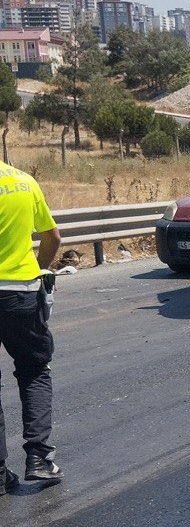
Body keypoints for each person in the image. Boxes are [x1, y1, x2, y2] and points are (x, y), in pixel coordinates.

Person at [0, 160, 62, 495]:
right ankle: (38, 459)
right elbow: (52, 237)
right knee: (34, 369)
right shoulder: (24, 182)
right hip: (21, 292)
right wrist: (36, 270)